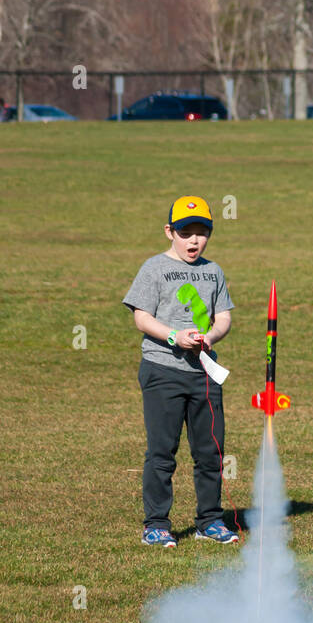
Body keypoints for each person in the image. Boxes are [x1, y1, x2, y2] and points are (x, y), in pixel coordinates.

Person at [123, 195, 238, 548]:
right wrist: (174, 335)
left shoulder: (213, 271)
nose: (194, 240)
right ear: (169, 232)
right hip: (162, 370)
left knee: (209, 451)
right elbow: (141, 316)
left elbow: (224, 318)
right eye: (186, 232)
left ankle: (210, 520)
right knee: (162, 451)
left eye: (201, 233)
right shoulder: (153, 268)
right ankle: (156, 524)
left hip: (203, 372)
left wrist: (209, 338)